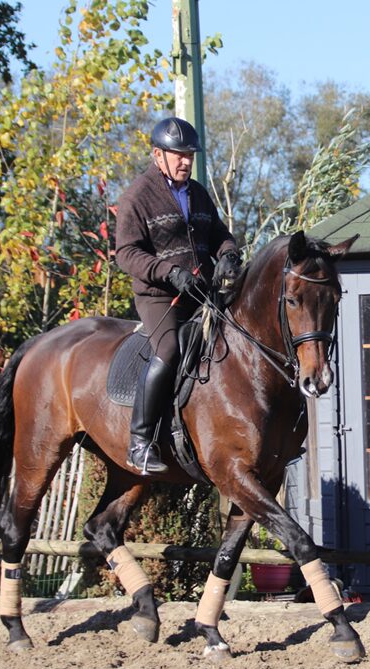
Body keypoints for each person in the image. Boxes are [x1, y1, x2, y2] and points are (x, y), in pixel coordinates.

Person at [115, 117, 241, 474]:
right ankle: (140, 442)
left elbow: (219, 234)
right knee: (168, 349)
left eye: (189, 155)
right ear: (158, 155)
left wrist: (229, 253)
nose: (185, 161)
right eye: (178, 155)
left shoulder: (199, 193)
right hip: (159, 297)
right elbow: (126, 253)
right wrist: (169, 273)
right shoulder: (137, 196)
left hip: (202, 293)